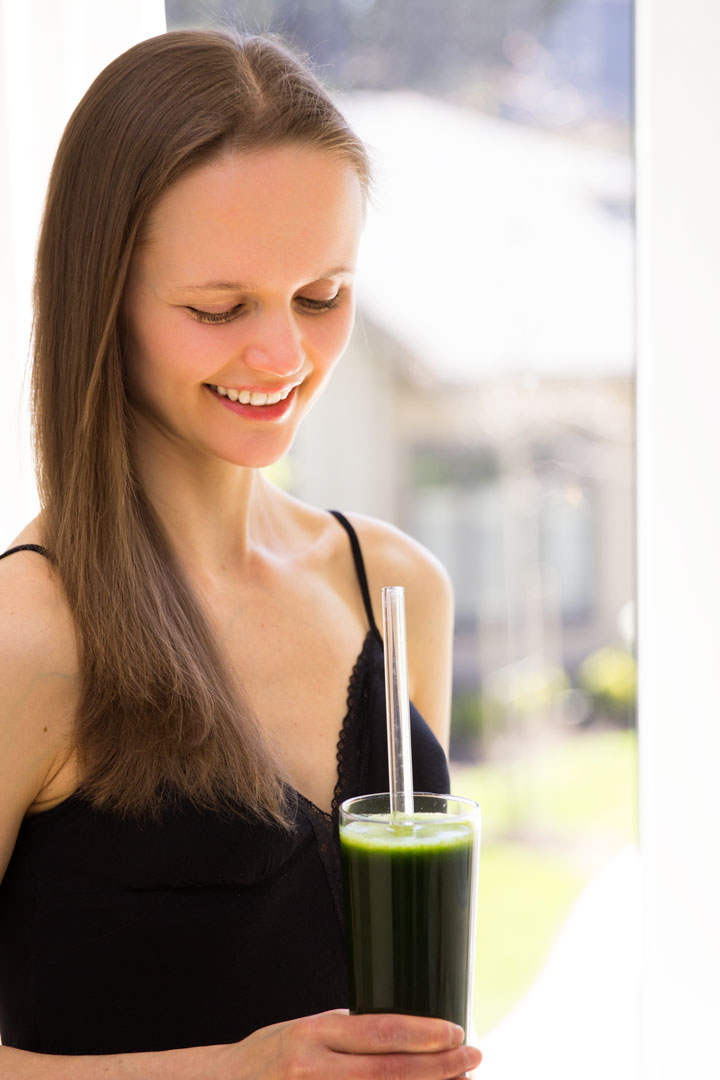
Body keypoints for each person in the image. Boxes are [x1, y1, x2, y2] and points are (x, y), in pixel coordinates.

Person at [0, 28, 482, 1079]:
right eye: (219, 308)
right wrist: (247, 1070)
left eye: (323, 296)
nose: (284, 356)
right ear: (104, 299)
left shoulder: (396, 590)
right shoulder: (26, 636)